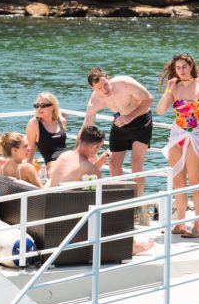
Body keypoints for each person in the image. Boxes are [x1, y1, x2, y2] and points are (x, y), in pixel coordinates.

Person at [48, 126, 153, 255]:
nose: (97, 150)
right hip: (70, 220)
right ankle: (132, 245)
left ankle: (132, 242)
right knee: (115, 206)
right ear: (93, 147)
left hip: (52, 212)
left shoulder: (64, 156)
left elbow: (79, 172)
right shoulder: (91, 170)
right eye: (99, 147)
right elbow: (102, 195)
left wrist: (98, 162)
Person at [157, 53, 199, 238]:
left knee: (195, 183)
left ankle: (198, 227)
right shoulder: (174, 87)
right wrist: (168, 90)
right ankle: (180, 223)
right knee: (177, 181)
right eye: (178, 68)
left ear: (191, 66)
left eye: (184, 67)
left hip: (196, 136)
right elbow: (160, 111)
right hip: (177, 135)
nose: (181, 71)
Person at [82, 67, 154, 197]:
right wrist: (77, 150)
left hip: (141, 121)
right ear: (93, 89)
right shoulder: (95, 101)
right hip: (120, 122)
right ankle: (121, 200)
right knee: (114, 164)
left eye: (105, 84)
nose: (105, 90)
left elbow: (149, 99)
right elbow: (87, 124)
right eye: (99, 88)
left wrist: (129, 117)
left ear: (108, 78)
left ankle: (138, 202)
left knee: (135, 163)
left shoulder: (125, 84)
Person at [25, 92, 68, 174]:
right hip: (53, 162)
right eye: (36, 105)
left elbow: (62, 145)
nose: (39, 109)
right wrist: (28, 169)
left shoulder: (62, 121)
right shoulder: (34, 123)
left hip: (68, 156)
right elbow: (31, 148)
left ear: (52, 107)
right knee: (57, 171)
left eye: (43, 106)